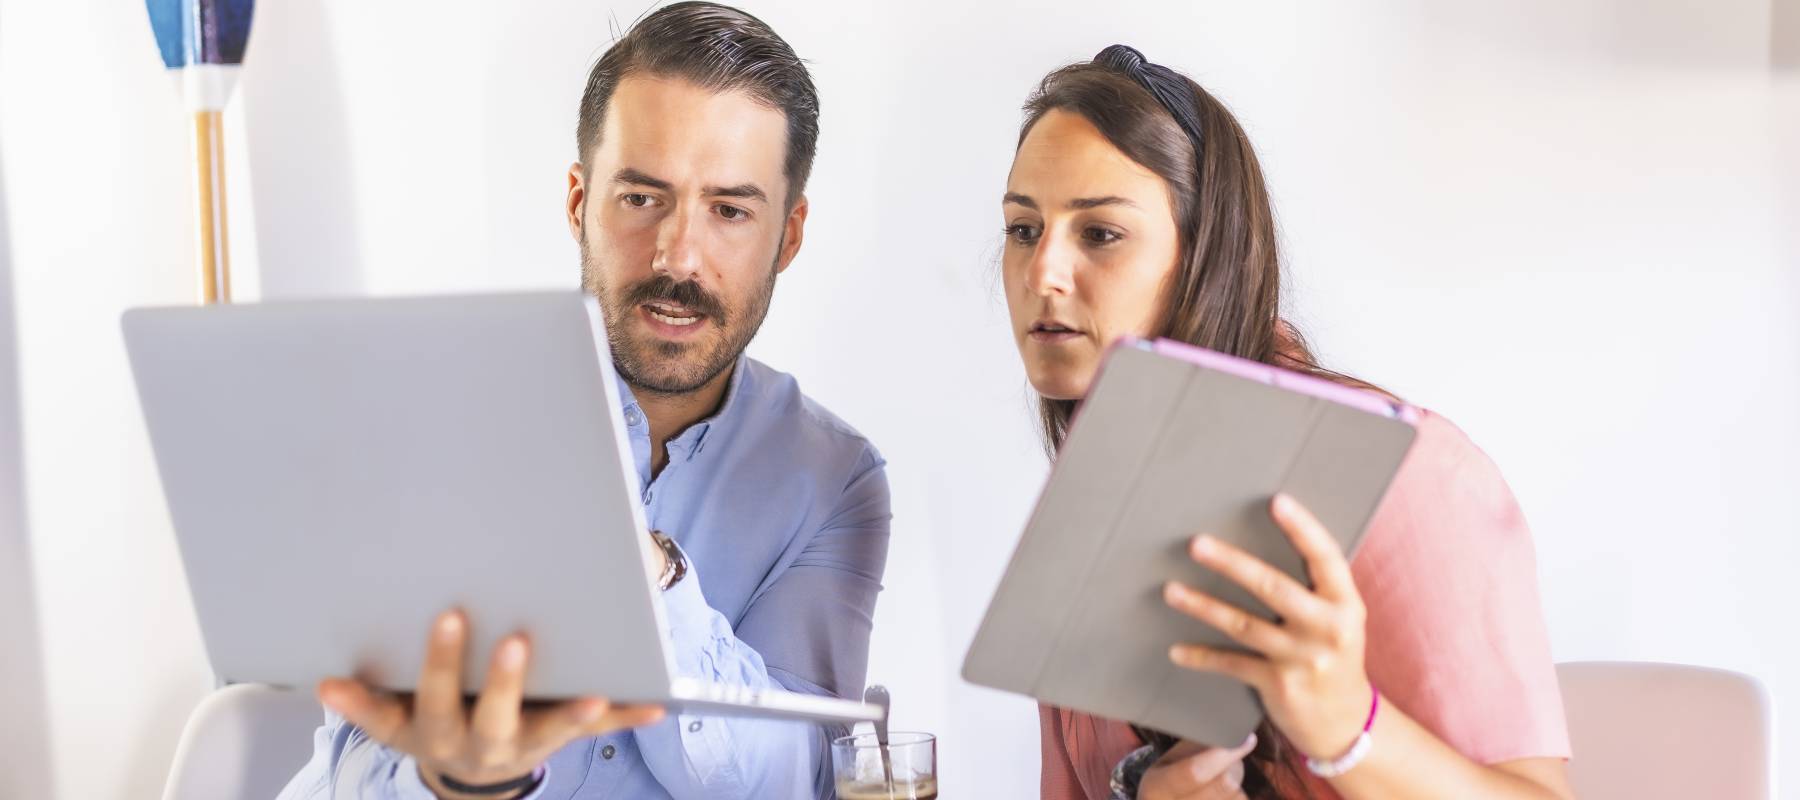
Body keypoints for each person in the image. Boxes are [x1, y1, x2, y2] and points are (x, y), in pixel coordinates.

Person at [278, 4, 890, 798]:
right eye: (641, 198)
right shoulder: (440, 425)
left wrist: (652, 570)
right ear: (578, 204)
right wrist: (456, 780)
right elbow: (347, 768)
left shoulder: (835, 481)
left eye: (730, 211)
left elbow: (794, 778)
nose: (679, 255)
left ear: (790, 235)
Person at [1000, 45, 1574, 799]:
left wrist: (1347, 729)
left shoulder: (1414, 473)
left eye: (1100, 233)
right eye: (1023, 230)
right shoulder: (1085, 510)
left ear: (1204, 256)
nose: (1043, 273)